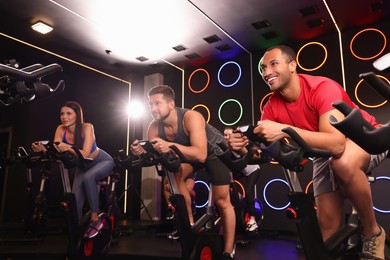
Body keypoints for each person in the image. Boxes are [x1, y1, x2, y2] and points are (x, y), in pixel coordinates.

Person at [227, 45, 387, 260]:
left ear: (292, 65)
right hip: (324, 153)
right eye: (263, 68)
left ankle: (372, 233)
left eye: (274, 64)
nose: (266, 72)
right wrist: (244, 146)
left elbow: (338, 144)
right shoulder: (271, 108)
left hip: (364, 137)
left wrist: (285, 130)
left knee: (343, 163)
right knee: (326, 233)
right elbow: (264, 154)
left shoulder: (322, 87)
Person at [130, 85, 236, 259]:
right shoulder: (154, 127)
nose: (153, 109)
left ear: (171, 104)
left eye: (157, 103)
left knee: (222, 200)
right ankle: (190, 224)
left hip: (215, 153)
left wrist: (169, 146)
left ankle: (228, 250)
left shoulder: (191, 117)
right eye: (150, 104)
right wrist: (144, 152)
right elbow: (158, 157)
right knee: (170, 182)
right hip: (187, 154)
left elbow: (201, 155)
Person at [31, 101, 115, 238]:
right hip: (83, 166)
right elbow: (57, 150)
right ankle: (78, 229)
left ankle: (95, 218)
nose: (64, 117)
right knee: (75, 199)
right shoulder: (60, 129)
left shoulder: (87, 127)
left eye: (69, 113)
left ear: (77, 115)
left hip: (101, 161)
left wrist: (68, 148)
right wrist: (43, 149)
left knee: (89, 177)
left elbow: (86, 154)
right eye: (62, 114)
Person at [224, 127, 261, 233]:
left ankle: (253, 221)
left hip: (253, 170)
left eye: (229, 135)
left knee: (248, 191)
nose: (226, 137)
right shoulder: (225, 147)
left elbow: (253, 152)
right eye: (225, 135)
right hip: (240, 170)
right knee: (226, 187)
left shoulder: (240, 144)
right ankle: (239, 200)